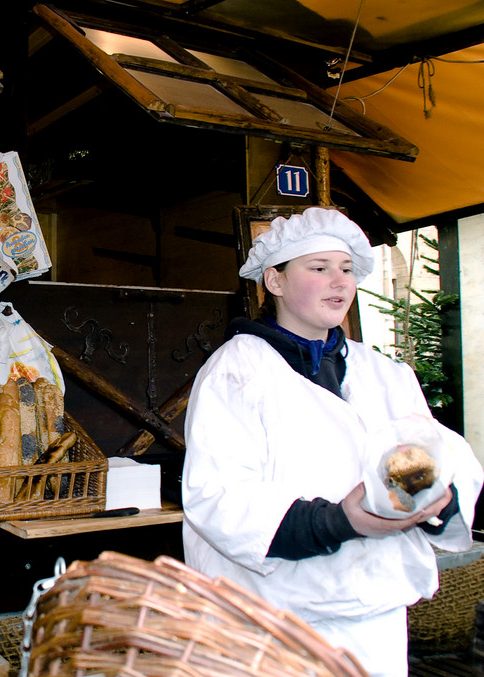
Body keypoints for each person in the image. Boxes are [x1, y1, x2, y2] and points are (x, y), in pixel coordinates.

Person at [181, 207, 483, 676]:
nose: (339, 282)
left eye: (346, 270)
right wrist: (339, 521)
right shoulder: (236, 370)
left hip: (376, 615)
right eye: (318, 269)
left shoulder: (385, 372)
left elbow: (434, 451)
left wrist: (439, 497)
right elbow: (218, 497)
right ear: (275, 281)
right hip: (277, 621)